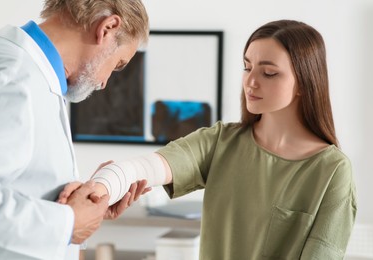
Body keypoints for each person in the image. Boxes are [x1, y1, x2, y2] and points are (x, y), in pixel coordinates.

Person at [61, 19, 357, 259]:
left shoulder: (331, 171)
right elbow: (143, 168)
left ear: (305, 83)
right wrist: (99, 188)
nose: (251, 81)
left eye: (269, 72)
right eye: (247, 66)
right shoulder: (221, 142)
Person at [0, 0, 149, 259]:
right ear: (107, 28)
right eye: (117, 65)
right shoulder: (15, 78)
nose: (105, 83)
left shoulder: (29, 73)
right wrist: (68, 222)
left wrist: (87, 209)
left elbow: (20, 184)